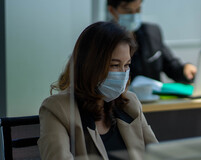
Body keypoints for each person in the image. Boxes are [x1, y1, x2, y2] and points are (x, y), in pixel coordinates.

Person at [38, 21, 158, 160]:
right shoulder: (58, 108)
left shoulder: (130, 104)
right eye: (114, 65)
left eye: (127, 65)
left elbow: (157, 154)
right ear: (90, 66)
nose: (123, 73)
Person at [107, 0, 197, 84]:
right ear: (112, 11)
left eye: (138, 10)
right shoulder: (103, 38)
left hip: (154, 98)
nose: (134, 15)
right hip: (122, 99)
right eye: (127, 11)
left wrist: (185, 69)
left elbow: (172, 67)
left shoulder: (151, 33)